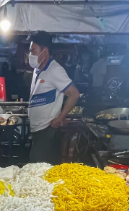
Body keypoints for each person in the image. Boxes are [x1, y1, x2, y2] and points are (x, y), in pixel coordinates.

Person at [27, 31, 80, 164]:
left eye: (33, 51)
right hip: (36, 128)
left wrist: (60, 118)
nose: (30, 55)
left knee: (39, 163)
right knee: (36, 163)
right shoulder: (37, 70)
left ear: (44, 51)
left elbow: (74, 93)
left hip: (47, 128)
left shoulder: (55, 70)